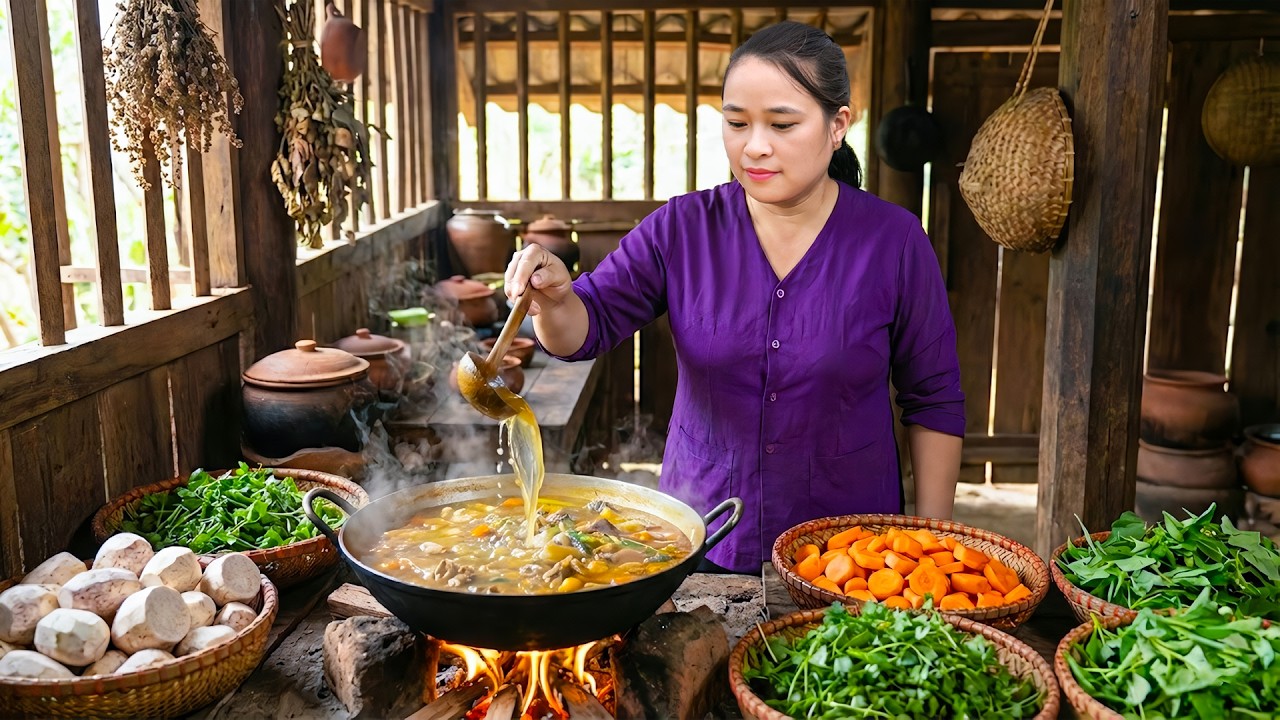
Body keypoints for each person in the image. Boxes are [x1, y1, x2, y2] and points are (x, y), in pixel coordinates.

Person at [504, 21, 964, 574]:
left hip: (853, 556)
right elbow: (585, 327)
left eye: (782, 124)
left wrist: (933, 552)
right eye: (737, 123)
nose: (755, 147)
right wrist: (554, 299)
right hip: (702, 536)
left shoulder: (893, 241)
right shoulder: (681, 228)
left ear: (837, 125)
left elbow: (934, 399)